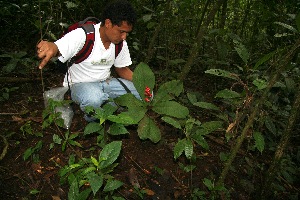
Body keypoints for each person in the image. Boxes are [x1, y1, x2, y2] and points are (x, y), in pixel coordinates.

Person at [36, 0, 140, 121]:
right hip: (80, 85)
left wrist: (143, 84)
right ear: (108, 23)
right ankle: (93, 117)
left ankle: (108, 106)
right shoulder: (84, 35)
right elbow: (59, 47)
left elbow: (121, 69)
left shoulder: (120, 43)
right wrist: (52, 47)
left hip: (106, 83)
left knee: (144, 94)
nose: (124, 37)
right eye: (121, 31)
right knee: (94, 99)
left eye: (127, 33)